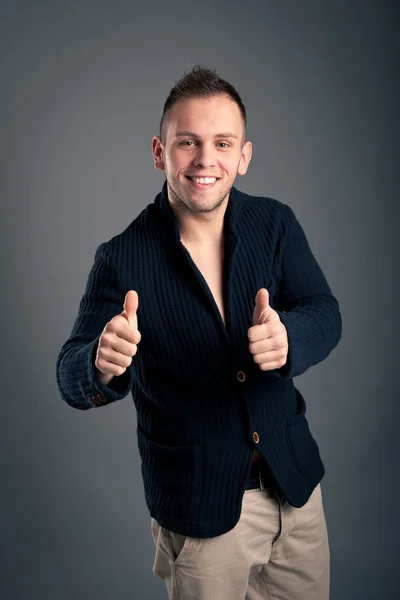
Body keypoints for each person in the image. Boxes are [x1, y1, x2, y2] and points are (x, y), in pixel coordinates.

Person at [56, 65, 342, 599]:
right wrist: (99, 360)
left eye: (222, 143)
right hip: (200, 516)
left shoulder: (275, 224)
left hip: (297, 495)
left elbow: (325, 311)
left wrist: (290, 339)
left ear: (244, 155)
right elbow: (68, 373)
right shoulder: (121, 258)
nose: (205, 159)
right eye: (188, 142)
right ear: (160, 152)